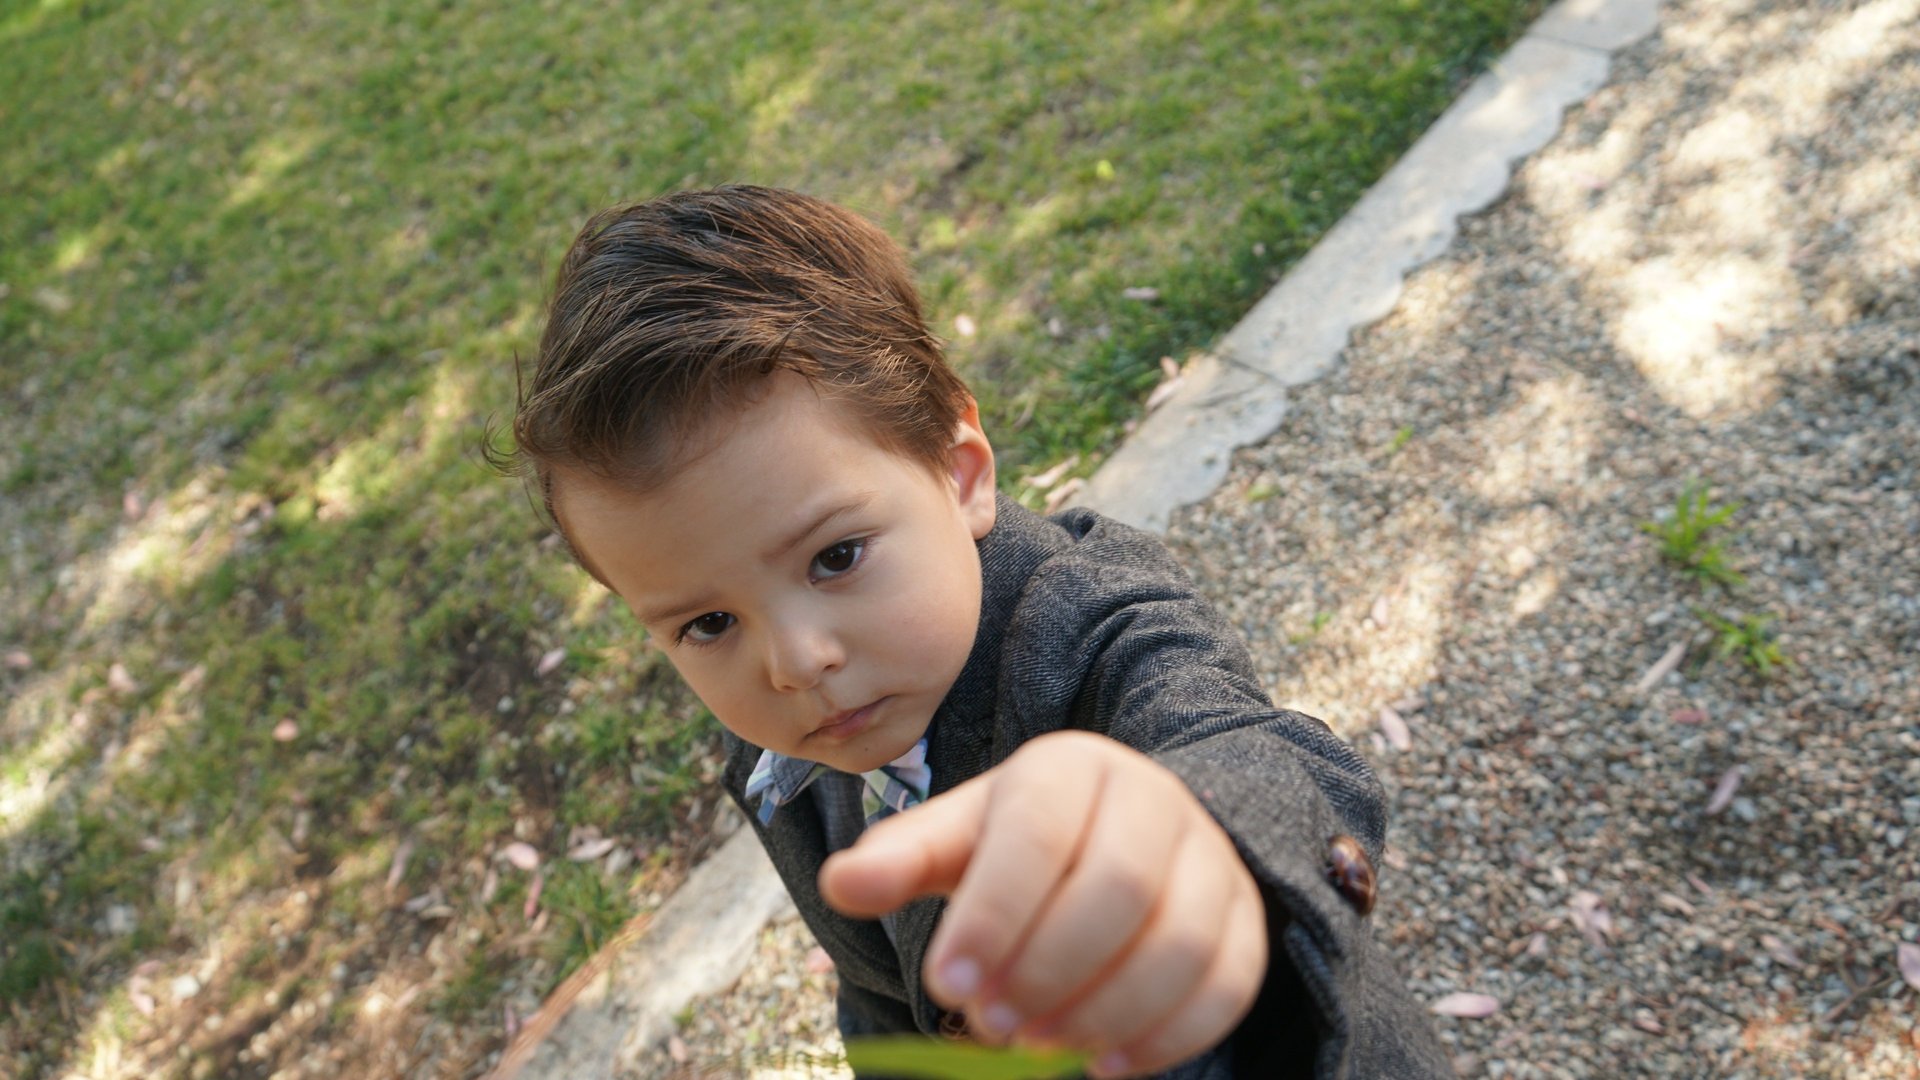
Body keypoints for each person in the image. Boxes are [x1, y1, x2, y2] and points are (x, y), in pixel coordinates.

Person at [491, 185, 1451, 1078]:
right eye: (706, 622)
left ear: (959, 474)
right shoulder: (780, 753)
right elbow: (877, 988)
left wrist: (1202, 838)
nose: (795, 661)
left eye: (835, 558)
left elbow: (1247, 748)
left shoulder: (1093, 621)